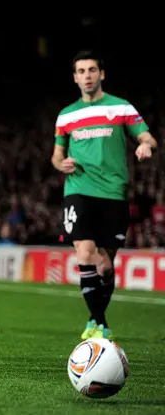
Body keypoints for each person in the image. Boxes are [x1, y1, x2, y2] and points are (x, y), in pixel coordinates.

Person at [51, 50, 157, 340]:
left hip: (113, 192)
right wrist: (62, 164)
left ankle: (95, 319)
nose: (87, 76)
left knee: (106, 266)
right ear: (75, 77)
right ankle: (99, 324)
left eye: (92, 70)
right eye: (81, 71)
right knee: (85, 252)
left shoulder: (121, 108)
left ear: (102, 74)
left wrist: (146, 146)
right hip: (78, 190)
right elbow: (56, 156)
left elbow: (147, 136)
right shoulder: (66, 115)